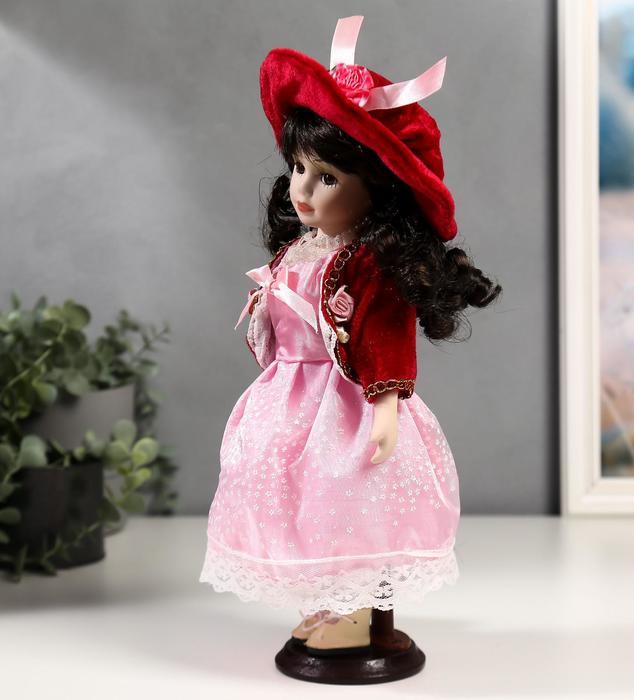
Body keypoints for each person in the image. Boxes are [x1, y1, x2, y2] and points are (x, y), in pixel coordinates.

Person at [199, 15, 502, 654]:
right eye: (298, 169)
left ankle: (355, 614)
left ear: (377, 191)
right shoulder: (305, 249)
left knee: (350, 504)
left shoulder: (367, 263)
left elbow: (385, 334)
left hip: (346, 405)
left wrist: (385, 406)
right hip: (289, 402)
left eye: (328, 178)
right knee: (297, 505)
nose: (302, 190)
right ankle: (322, 602)